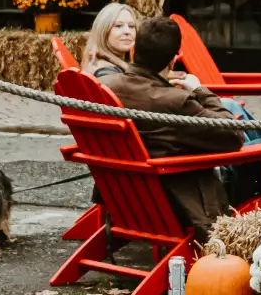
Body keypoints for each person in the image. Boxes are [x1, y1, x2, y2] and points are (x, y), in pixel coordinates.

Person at [97, 17, 246, 240]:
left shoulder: (104, 87)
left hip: (127, 195)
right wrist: (200, 90)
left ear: (134, 50)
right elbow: (234, 136)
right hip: (179, 196)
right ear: (173, 60)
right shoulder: (176, 102)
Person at [82, 2, 137, 78]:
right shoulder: (106, 73)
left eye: (131, 26)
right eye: (118, 26)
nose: (127, 31)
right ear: (103, 32)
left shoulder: (100, 61)